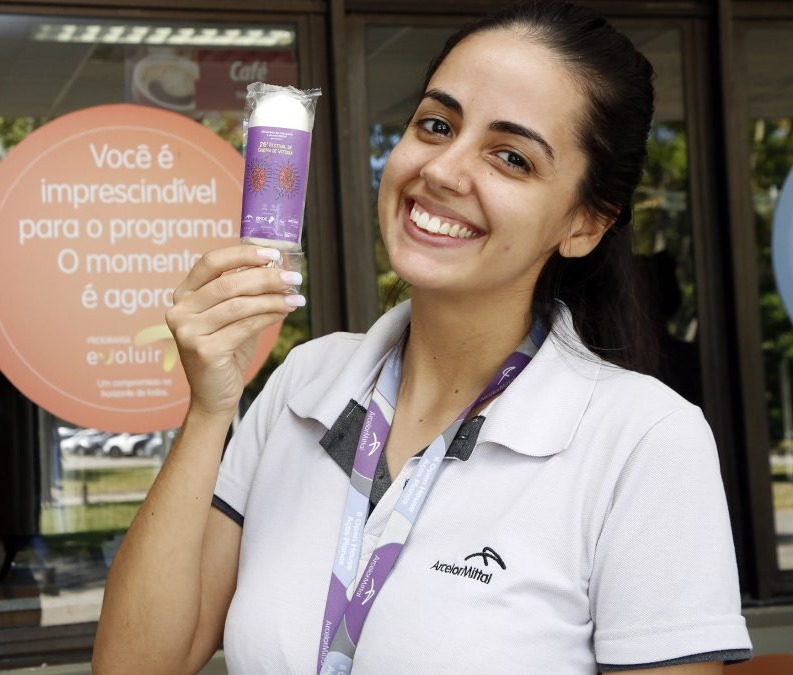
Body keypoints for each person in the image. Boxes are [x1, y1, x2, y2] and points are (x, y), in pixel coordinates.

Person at [94, 2, 752, 672]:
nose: (442, 170)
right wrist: (209, 409)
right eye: (436, 125)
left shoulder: (643, 441)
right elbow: (135, 665)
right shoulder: (305, 383)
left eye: (511, 157)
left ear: (584, 223)